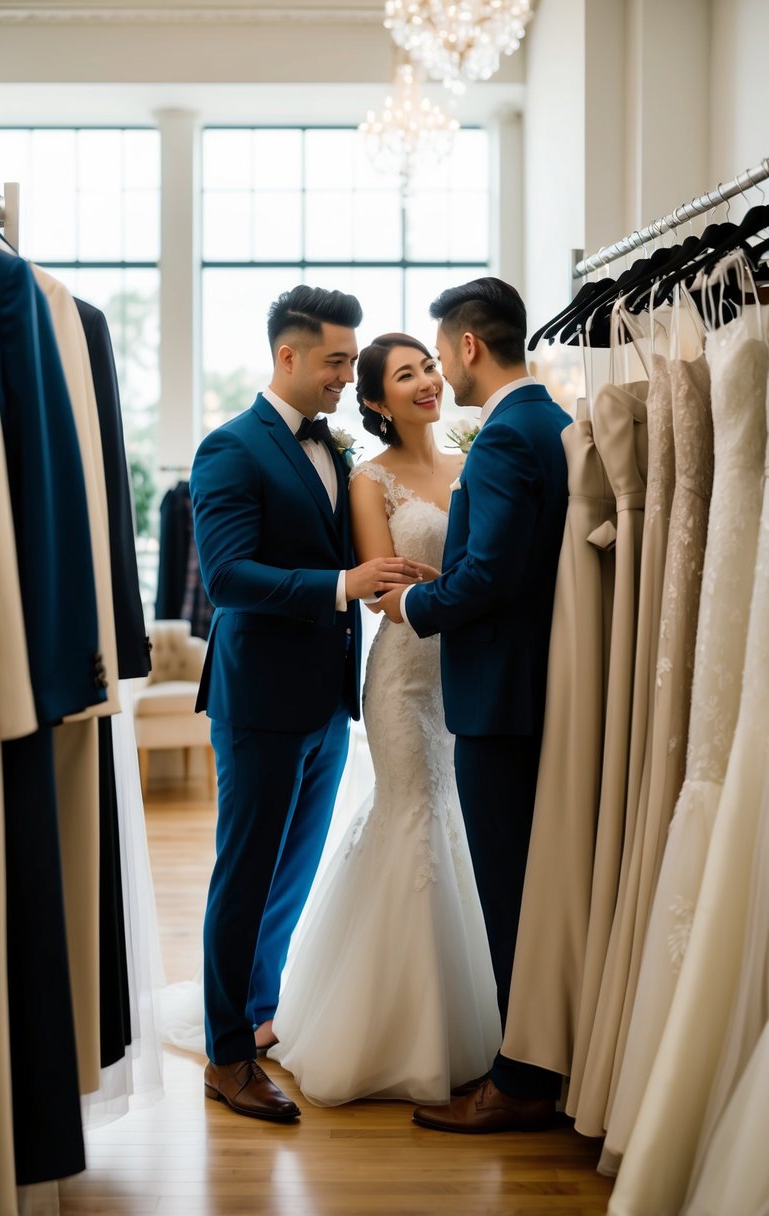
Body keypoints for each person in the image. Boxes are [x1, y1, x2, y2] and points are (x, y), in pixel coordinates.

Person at [190, 286, 425, 1122]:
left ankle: (257, 1020)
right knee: (245, 875)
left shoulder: (333, 446)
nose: (344, 373)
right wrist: (339, 585)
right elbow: (226, 579)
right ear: (286, 357)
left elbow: (356, 554)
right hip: (257, 699)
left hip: (328, 699)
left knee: (289, 875)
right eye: (333, 359)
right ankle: (224, 1059)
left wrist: (392, 574)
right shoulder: (229, 448)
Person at [269, 333, 500, 1105]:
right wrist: (455, 582)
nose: (428, 381)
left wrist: (453, 583)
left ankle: (466, 1016)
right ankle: (386, 1031)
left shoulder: (471, 468)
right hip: (402, 679)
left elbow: (475, 571)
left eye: (429, 366)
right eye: (406, 375)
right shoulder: (371, 481)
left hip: (458, 674)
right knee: (412, 815)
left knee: (451, 822)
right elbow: (381, 589)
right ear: (375, 400)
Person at [380, 277, 571, 1133]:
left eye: (439, 352)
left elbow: (491, 577)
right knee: (539, 882)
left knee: (509, 891)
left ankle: (520, 1080)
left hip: (499, 700)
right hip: (547, 683)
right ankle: (541, 1058)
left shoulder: (499, 441)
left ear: (466, 347)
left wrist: (416, 606)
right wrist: (451, 578)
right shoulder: (554, 424)